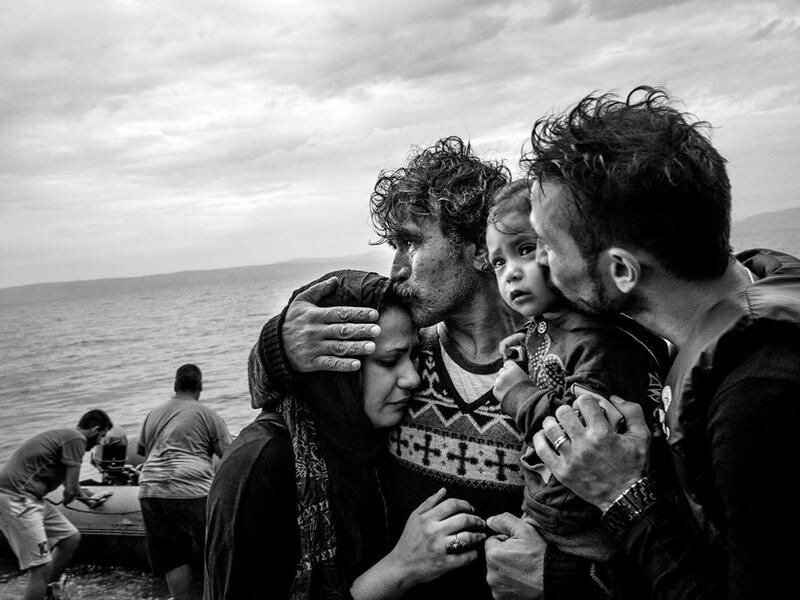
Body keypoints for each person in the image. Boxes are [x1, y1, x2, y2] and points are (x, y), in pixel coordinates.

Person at [495, 85, 800, 599]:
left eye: (546, 246)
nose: (540, 264)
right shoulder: (757, 284)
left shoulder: (760, 396)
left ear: (620, 270)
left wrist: (622, 497)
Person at [247, 137, 530, 598]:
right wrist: (277, 346)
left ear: (481, 248)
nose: (395, 268)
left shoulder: (555, 366)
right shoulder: (401, 356)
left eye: (411, 242)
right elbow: (280, 401)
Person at [206, 269, 487, 600]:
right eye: (389, 360)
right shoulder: (259, 465)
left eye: (413, 356)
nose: (412, 378)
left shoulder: (370, 439)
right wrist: (399, 568)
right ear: (331, 367)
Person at [486, 179, 672, 597]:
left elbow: (580, 435)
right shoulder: (546, 324)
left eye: (526, 249)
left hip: (580, 522)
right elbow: (550, 357)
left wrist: (516, 394)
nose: (511, 271)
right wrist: (522, 354)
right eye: (498, 262)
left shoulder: (599, 341)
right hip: (548, 505)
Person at [137, 364, 231, 600]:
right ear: (200, 387)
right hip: (191, 488)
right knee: (214, 550)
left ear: (175, 386)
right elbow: (229, 455)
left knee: (173, 557)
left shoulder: (154, 414)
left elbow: (141, 450)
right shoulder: (207, 414)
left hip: (151, 489)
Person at [0, 409, 113, 600]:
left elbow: (68, 484)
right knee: (40, 566)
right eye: (102, 436)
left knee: (70, 538)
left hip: (30, 498)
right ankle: (41, 585)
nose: (101, 442)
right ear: (94, 429)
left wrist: (88, 499)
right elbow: (70, 490)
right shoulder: (76, 439)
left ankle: (48, 588)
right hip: (16, 498)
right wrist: (77, 495)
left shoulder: (66, 438)